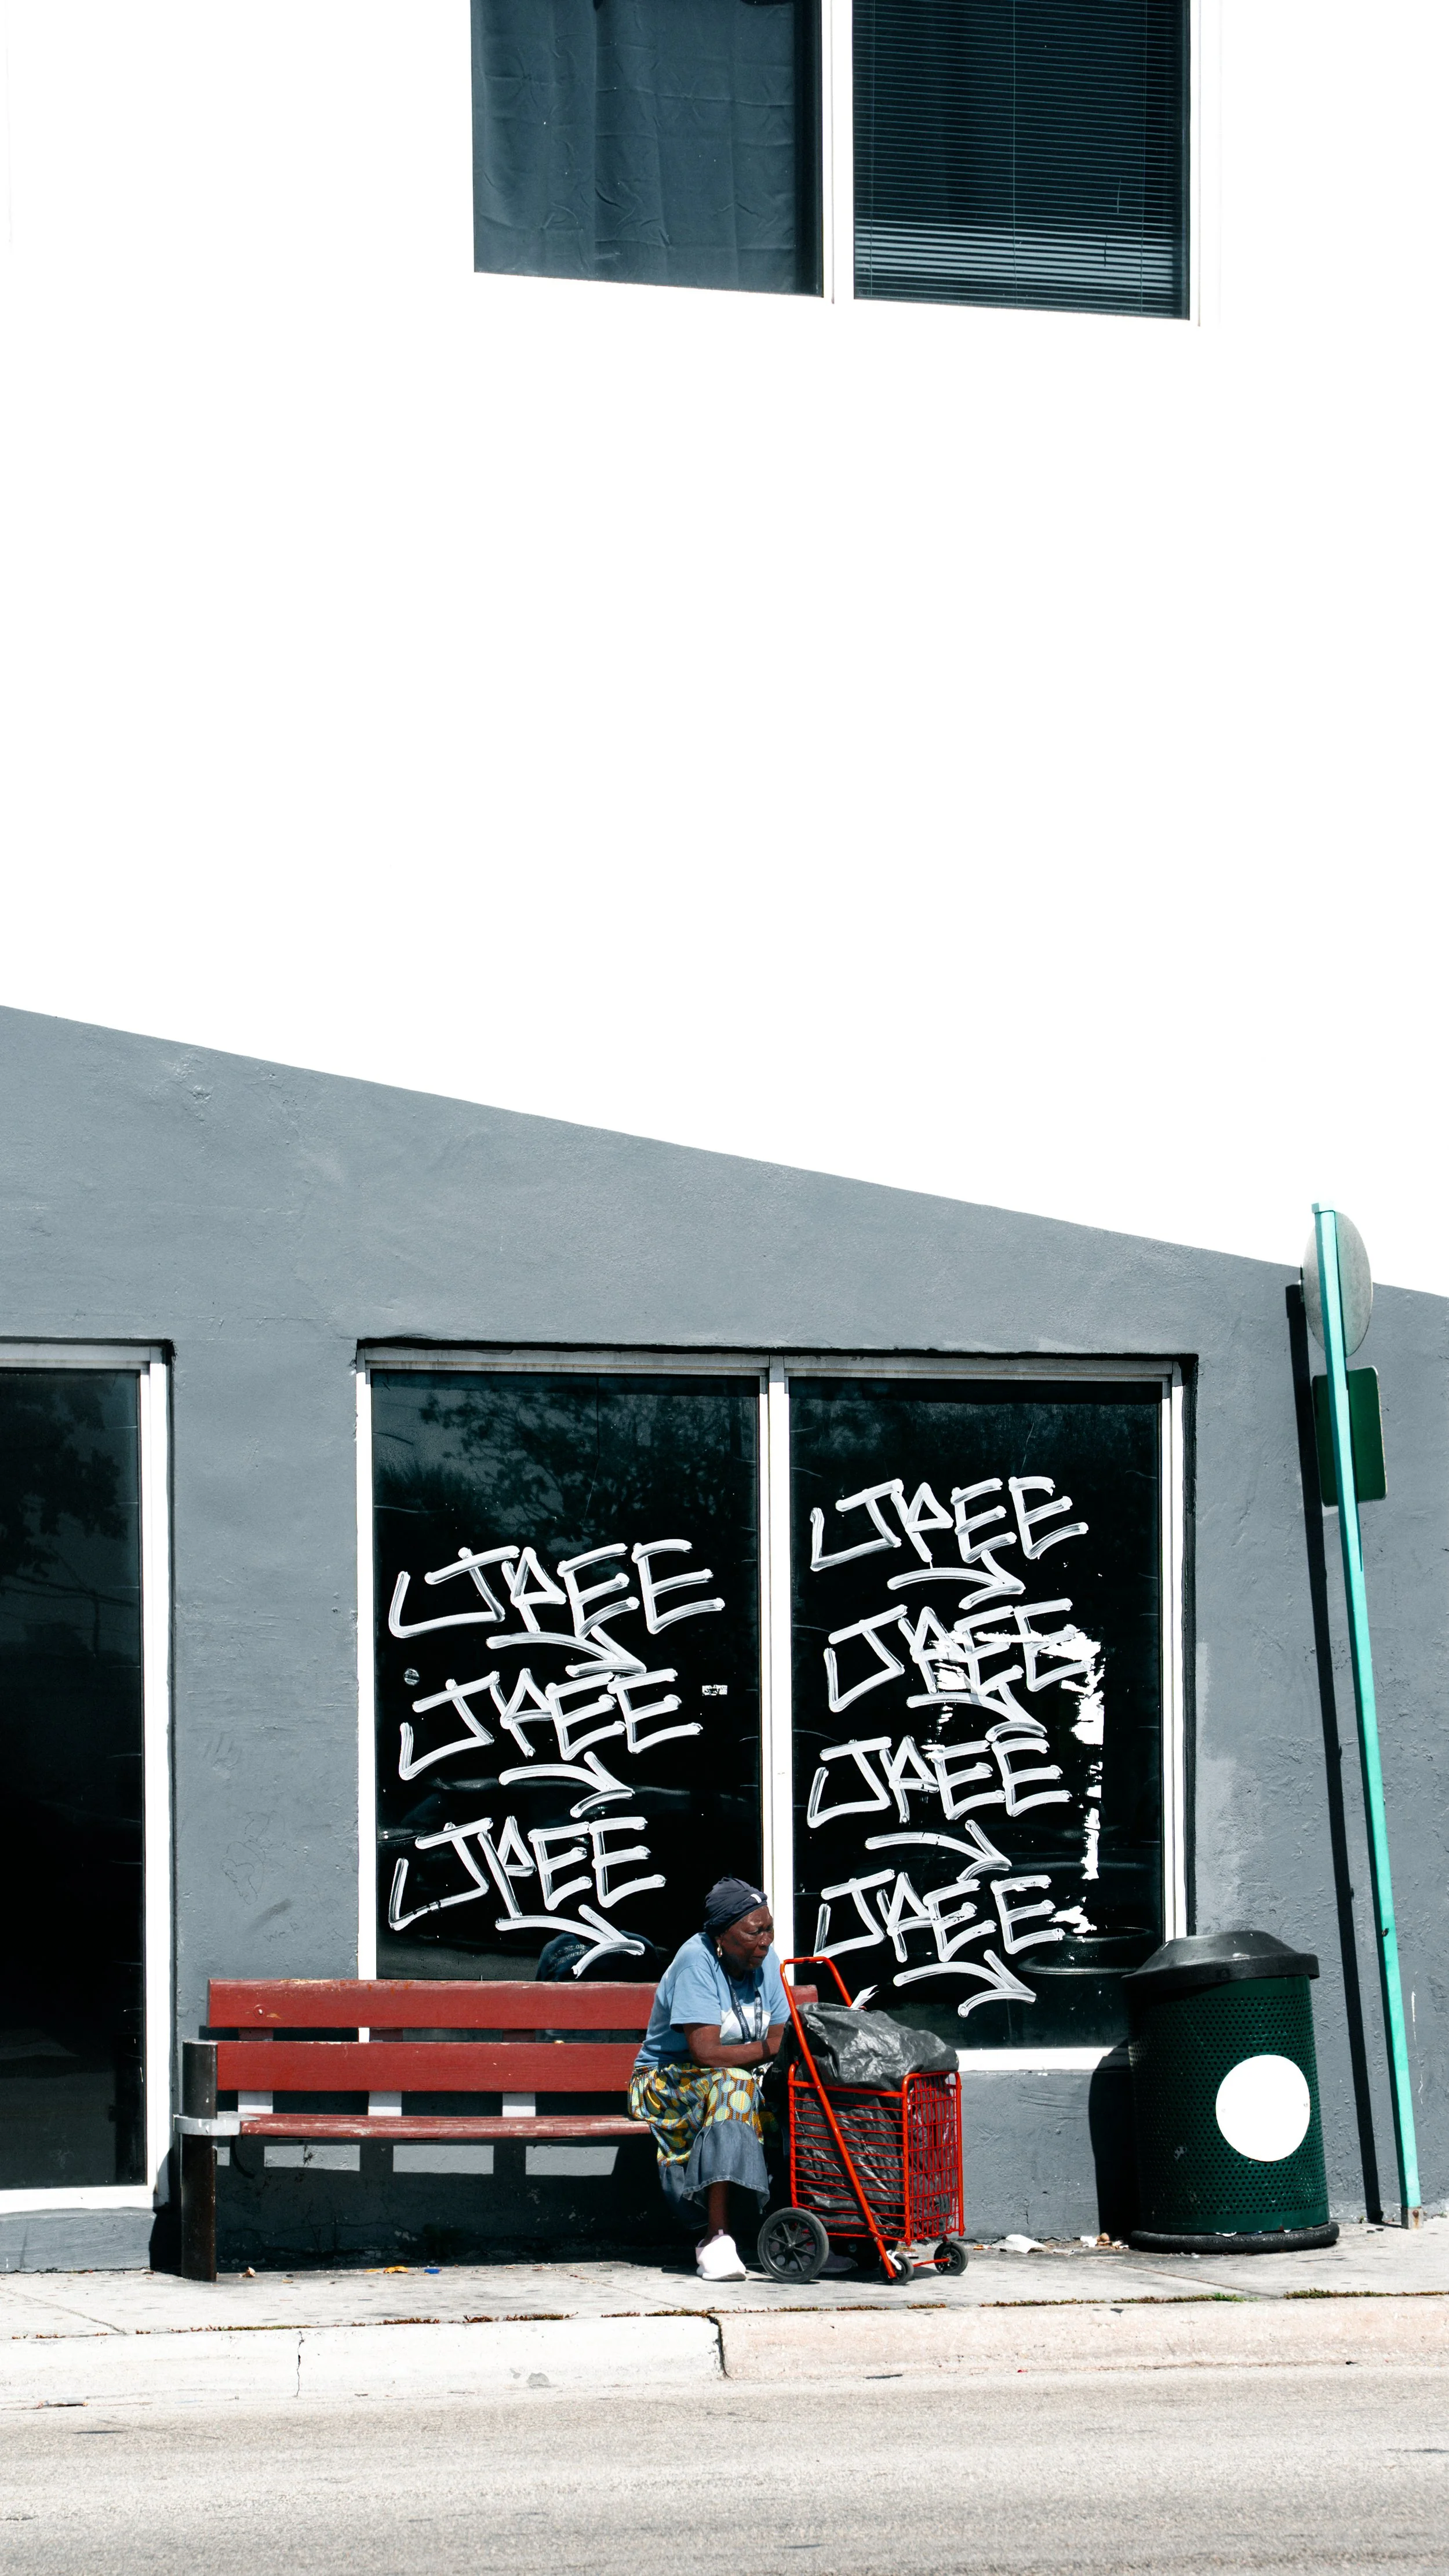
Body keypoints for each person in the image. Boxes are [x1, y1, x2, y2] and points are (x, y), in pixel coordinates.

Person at [628, 1877, 789, 2282]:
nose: (765, 1941)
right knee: (733, 2085)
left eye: (769, 1927)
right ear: (721, 1936)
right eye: (754, 1931)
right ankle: (715, 2238)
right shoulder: (695, 1961)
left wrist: (770, 2054)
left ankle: (807, 2229)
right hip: (663, 2083)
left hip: (731, 2079)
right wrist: (768, 2052)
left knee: (804, 2097)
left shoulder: (764, 1959)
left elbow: (782, 2031)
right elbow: (707, 2052)